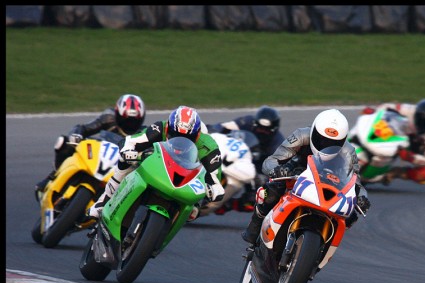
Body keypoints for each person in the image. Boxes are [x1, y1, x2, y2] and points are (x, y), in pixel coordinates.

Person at [241, 108, 371, 244]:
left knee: (350, 215)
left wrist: (362, 197)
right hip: (297, 172)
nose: (326, 145)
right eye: (322, 140)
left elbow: (355, 181)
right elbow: (271, 160)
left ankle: (323, 246)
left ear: (343, 140)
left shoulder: (348, 151)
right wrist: (278, 170)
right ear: (314, 131)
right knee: (271, 191)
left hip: (331, 181)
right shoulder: (301, 135)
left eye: (333, 143)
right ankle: (254, 228)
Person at [87, 105, 224, 220]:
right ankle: (103, 202)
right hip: (158, 163)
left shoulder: (208, 146)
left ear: (198, 134)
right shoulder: (160, 127)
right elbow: (131, 141)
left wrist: (214, 190)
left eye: (188, 137)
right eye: (175, 134)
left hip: (187, 177)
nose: (181, 140)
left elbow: (214, 178)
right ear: (169, 128)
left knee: (193, 212)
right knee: (126, 162)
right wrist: (128, 150)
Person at [35, 93, 146, 198]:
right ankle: (52, 177)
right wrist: (77, 135)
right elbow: (84, 128)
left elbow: (150, 150)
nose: (130, 124)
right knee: (63, 142)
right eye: (127, 119)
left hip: (119, 165)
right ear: (117, 115)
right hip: (100, 153)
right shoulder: (108, 118)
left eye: (134, 120)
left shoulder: (143, 133)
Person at [360, 98, 425, 184]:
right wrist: (374, 113)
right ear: (416, 114)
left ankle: (393, 173)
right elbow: (386, 107)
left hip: (413, 143)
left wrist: (410, 157)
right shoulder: (409, 110)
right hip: (396, 131)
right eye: (421, 120)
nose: (423, 124)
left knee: (424, 175)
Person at [206, 105, 285, 171]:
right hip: (233, 152)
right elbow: (223, 126)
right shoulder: (247, 121)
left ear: (274, 130)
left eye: (266, 130)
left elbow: (275, 169)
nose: (262, 131)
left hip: (253, 166)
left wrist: (261, 176)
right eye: (260, 128)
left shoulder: (278, 145)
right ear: (255, 124)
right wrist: (213, 130)